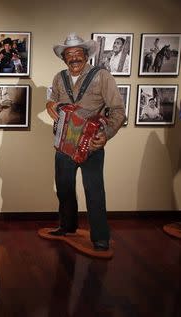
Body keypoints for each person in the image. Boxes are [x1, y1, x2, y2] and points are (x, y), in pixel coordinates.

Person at [46, 33, 126, 251]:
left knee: (94, 190)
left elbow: (118, 110)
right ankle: (67, 226)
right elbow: (52, 99)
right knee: (64, 189)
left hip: (91, 143)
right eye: (68, 54)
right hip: (63, 143)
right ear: (64, 58)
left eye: (77, 53)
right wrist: (49, 104)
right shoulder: (58, 77)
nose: (73, 58)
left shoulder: (102, 76)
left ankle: (100, 237)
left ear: (86, 54)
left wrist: (106, 134)